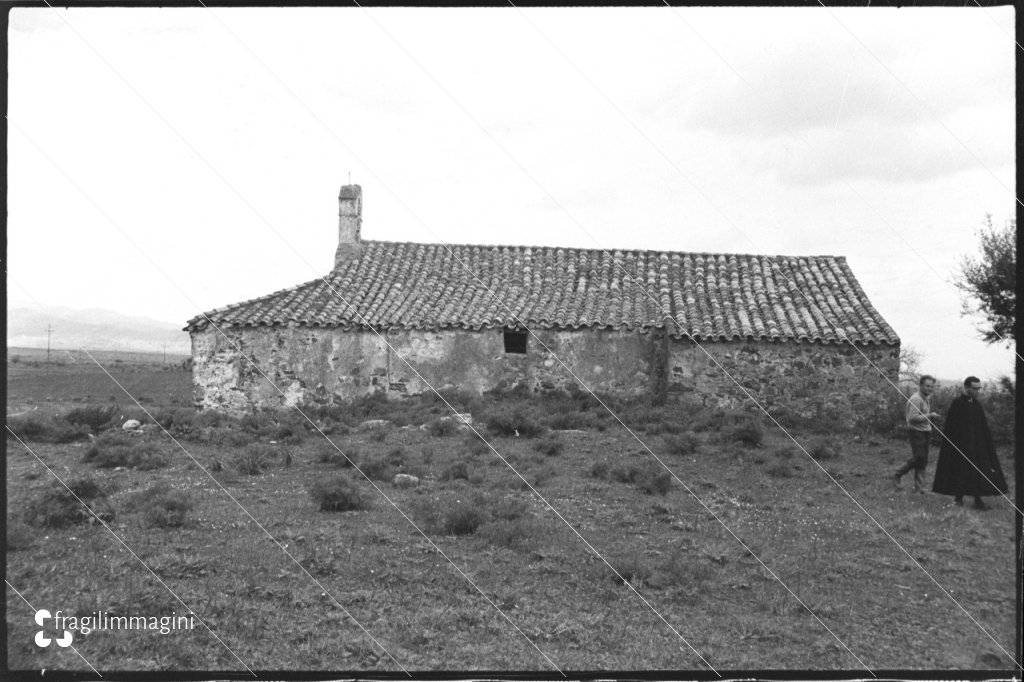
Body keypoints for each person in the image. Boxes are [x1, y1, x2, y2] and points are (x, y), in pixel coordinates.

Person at [932, 376, 1008, 510]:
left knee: (978, 472)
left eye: (979, 388)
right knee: (961, 471)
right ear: (967, 387)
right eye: (975, 388)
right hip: (961, 446)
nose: (978, 391)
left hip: (977, 447)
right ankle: (958, 499)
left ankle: (978, 501)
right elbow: (951, 428)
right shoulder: (958, 403)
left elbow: (982, 428)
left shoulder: (977, 405)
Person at [892, 375, 941, 493]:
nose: (930, 388)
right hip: (916, 431)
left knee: (923, 460)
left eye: (931, 386)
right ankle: (897, 474)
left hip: (925, 431)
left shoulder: (925, 398)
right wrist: (930, 415)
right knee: (919, 457)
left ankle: (920, 488)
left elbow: (921, 415)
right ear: (921, 386)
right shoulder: (916, 399)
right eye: (927, 386)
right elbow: (912, 418)